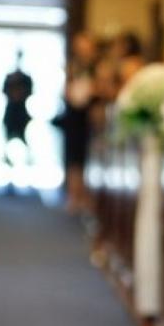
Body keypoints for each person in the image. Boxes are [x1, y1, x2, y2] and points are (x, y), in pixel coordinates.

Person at [59, 31, 96, 214]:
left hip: (91, 117)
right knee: (74, 157)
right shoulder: (72, 66)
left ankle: (86, 196)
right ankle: (74, 195)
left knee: (89, 157)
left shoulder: (98, 67)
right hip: (74, 116)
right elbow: (65, 89)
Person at [2, 51, 33, 143]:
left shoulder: (26, 78)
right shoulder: (9, 76)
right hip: (11, 113)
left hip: (21, 113)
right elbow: (4, 90)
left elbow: (30, 91)